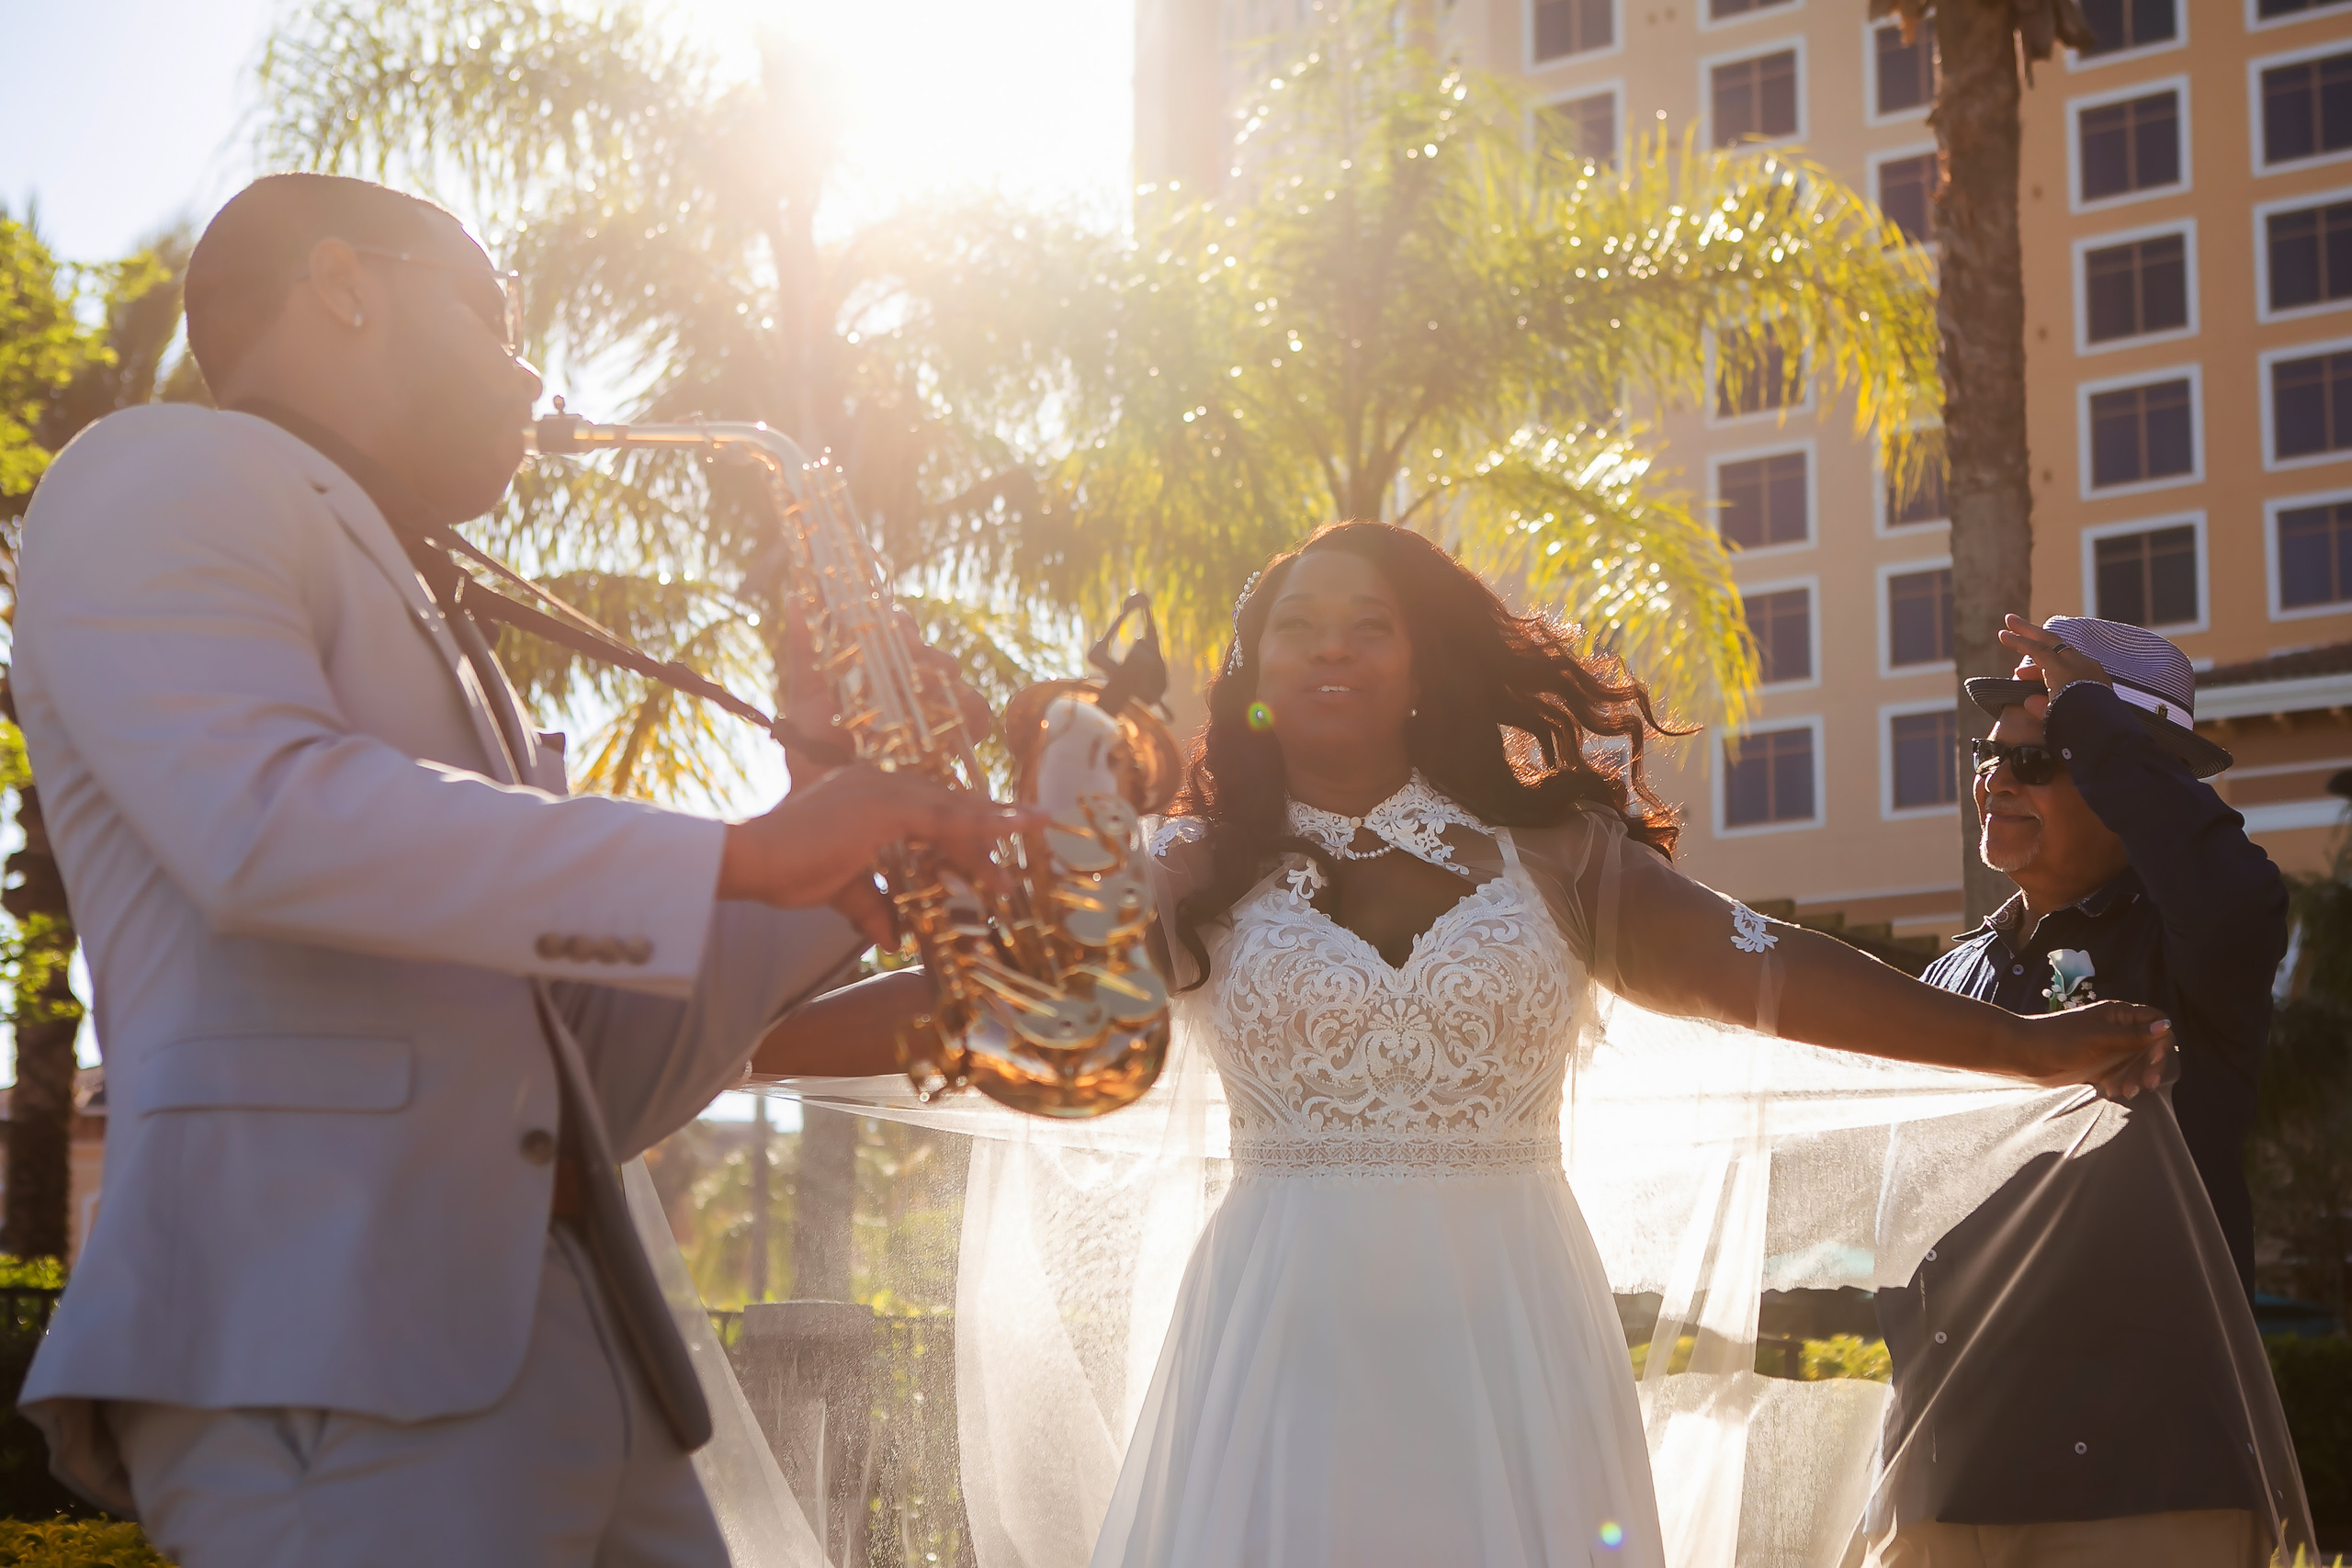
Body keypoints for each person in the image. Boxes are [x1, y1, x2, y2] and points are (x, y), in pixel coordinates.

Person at [752, 523, 2169, 1568]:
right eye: (1298, 624)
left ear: (1422, 657)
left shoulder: (1554, 853)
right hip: (1281, 1327)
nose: (1331, 645)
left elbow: (1771, 969)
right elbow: (987, 995)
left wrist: (2022, 1045)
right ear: (1253, 667)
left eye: (1368, 621)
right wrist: (734, 1034)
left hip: (1508, 1324)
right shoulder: (1181, 868)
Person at [10, 173, 1033, 1568]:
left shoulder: (430, 611)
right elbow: (263, 821)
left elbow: (597, 1083)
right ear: (344, 285)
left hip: (581, 1357)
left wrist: (840, 868)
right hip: (333, 1356)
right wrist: (745, 853)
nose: (529, 369)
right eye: (491, 313)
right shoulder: (157, 467)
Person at [1868, 615, 2292, 1568]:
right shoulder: (1951, 974)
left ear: (2128, 773)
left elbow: (2234, 896)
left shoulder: (2193, 954)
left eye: (2039, 758)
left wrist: (2091, 716)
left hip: (2141, 1490)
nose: (1996, 779)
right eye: (1988, 755)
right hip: (1945, 1487)